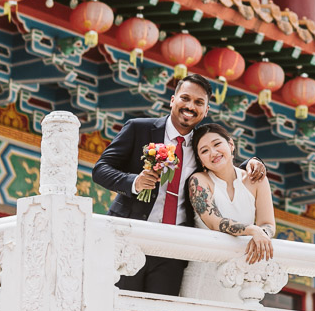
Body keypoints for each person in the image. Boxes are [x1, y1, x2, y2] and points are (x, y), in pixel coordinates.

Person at [93, 73, 267, 295]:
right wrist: (134, 182)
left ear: (206, 110)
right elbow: (101, 169)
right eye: (185, 98)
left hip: (175, 248)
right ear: (172, 100)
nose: (190, 106)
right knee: (118, 307)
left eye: (198, 102)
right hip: (130, 237)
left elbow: (221, 164)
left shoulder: (200, 145)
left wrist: (253, 162)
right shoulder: (139, 129)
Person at [179, 122, 276, 302]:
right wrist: (252, 230)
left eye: (217, 144)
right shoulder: (199, 181)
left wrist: (262, 234)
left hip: (241, 275)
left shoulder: (256, 179)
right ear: (200, 159)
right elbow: (215, 222)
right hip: (203, 273)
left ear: (230, 145)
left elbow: (268, 224)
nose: (213, 153)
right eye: (204, 151)